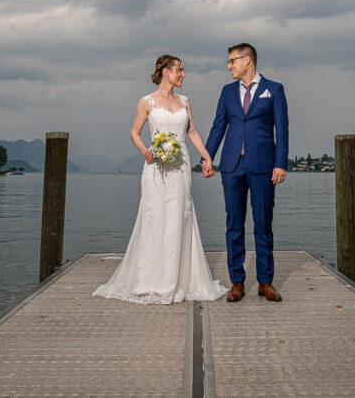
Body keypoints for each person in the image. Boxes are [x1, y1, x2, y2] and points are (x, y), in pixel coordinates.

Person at [93, 55, 228, 304]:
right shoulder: (146, 102)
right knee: (155, 218)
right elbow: (134, 131)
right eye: (180, 70)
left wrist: (208, 158)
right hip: (155, 167)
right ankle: (151, 279)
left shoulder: (185, 101)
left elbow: (192, 132)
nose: (184, 75)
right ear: (166, 71)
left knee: (181, 217)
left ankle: (180, 279)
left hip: (182, 166)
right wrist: (145, 150)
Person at [204, 43, 288, 302]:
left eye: (232, 61)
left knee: (263, 224)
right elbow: (219, 126)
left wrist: (280, 163)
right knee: (234, 225)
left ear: (247, 60)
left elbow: (282, 129)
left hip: (263, 166)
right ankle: (237, 282)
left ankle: (265, 282)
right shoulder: (227, 92)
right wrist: (207, 157)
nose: (229, 66)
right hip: (231, 167)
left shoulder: (274, 89)